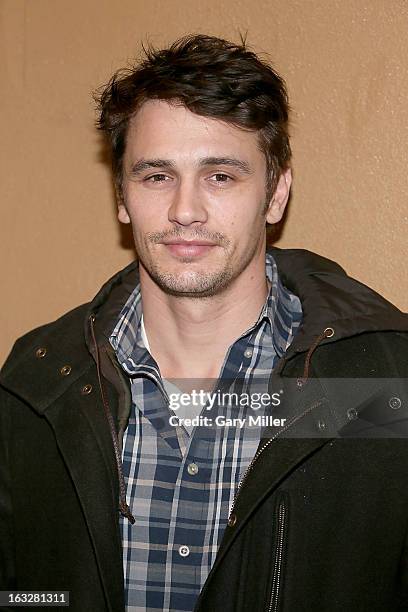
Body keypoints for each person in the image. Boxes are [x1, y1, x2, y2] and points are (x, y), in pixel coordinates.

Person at [1, 34, 408, 612]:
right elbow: (24, 592)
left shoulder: (384, 382)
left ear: (275, 194)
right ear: (122, 195)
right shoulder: (36, 385)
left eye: (220, 176)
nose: (184, 210)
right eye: (156, 176)